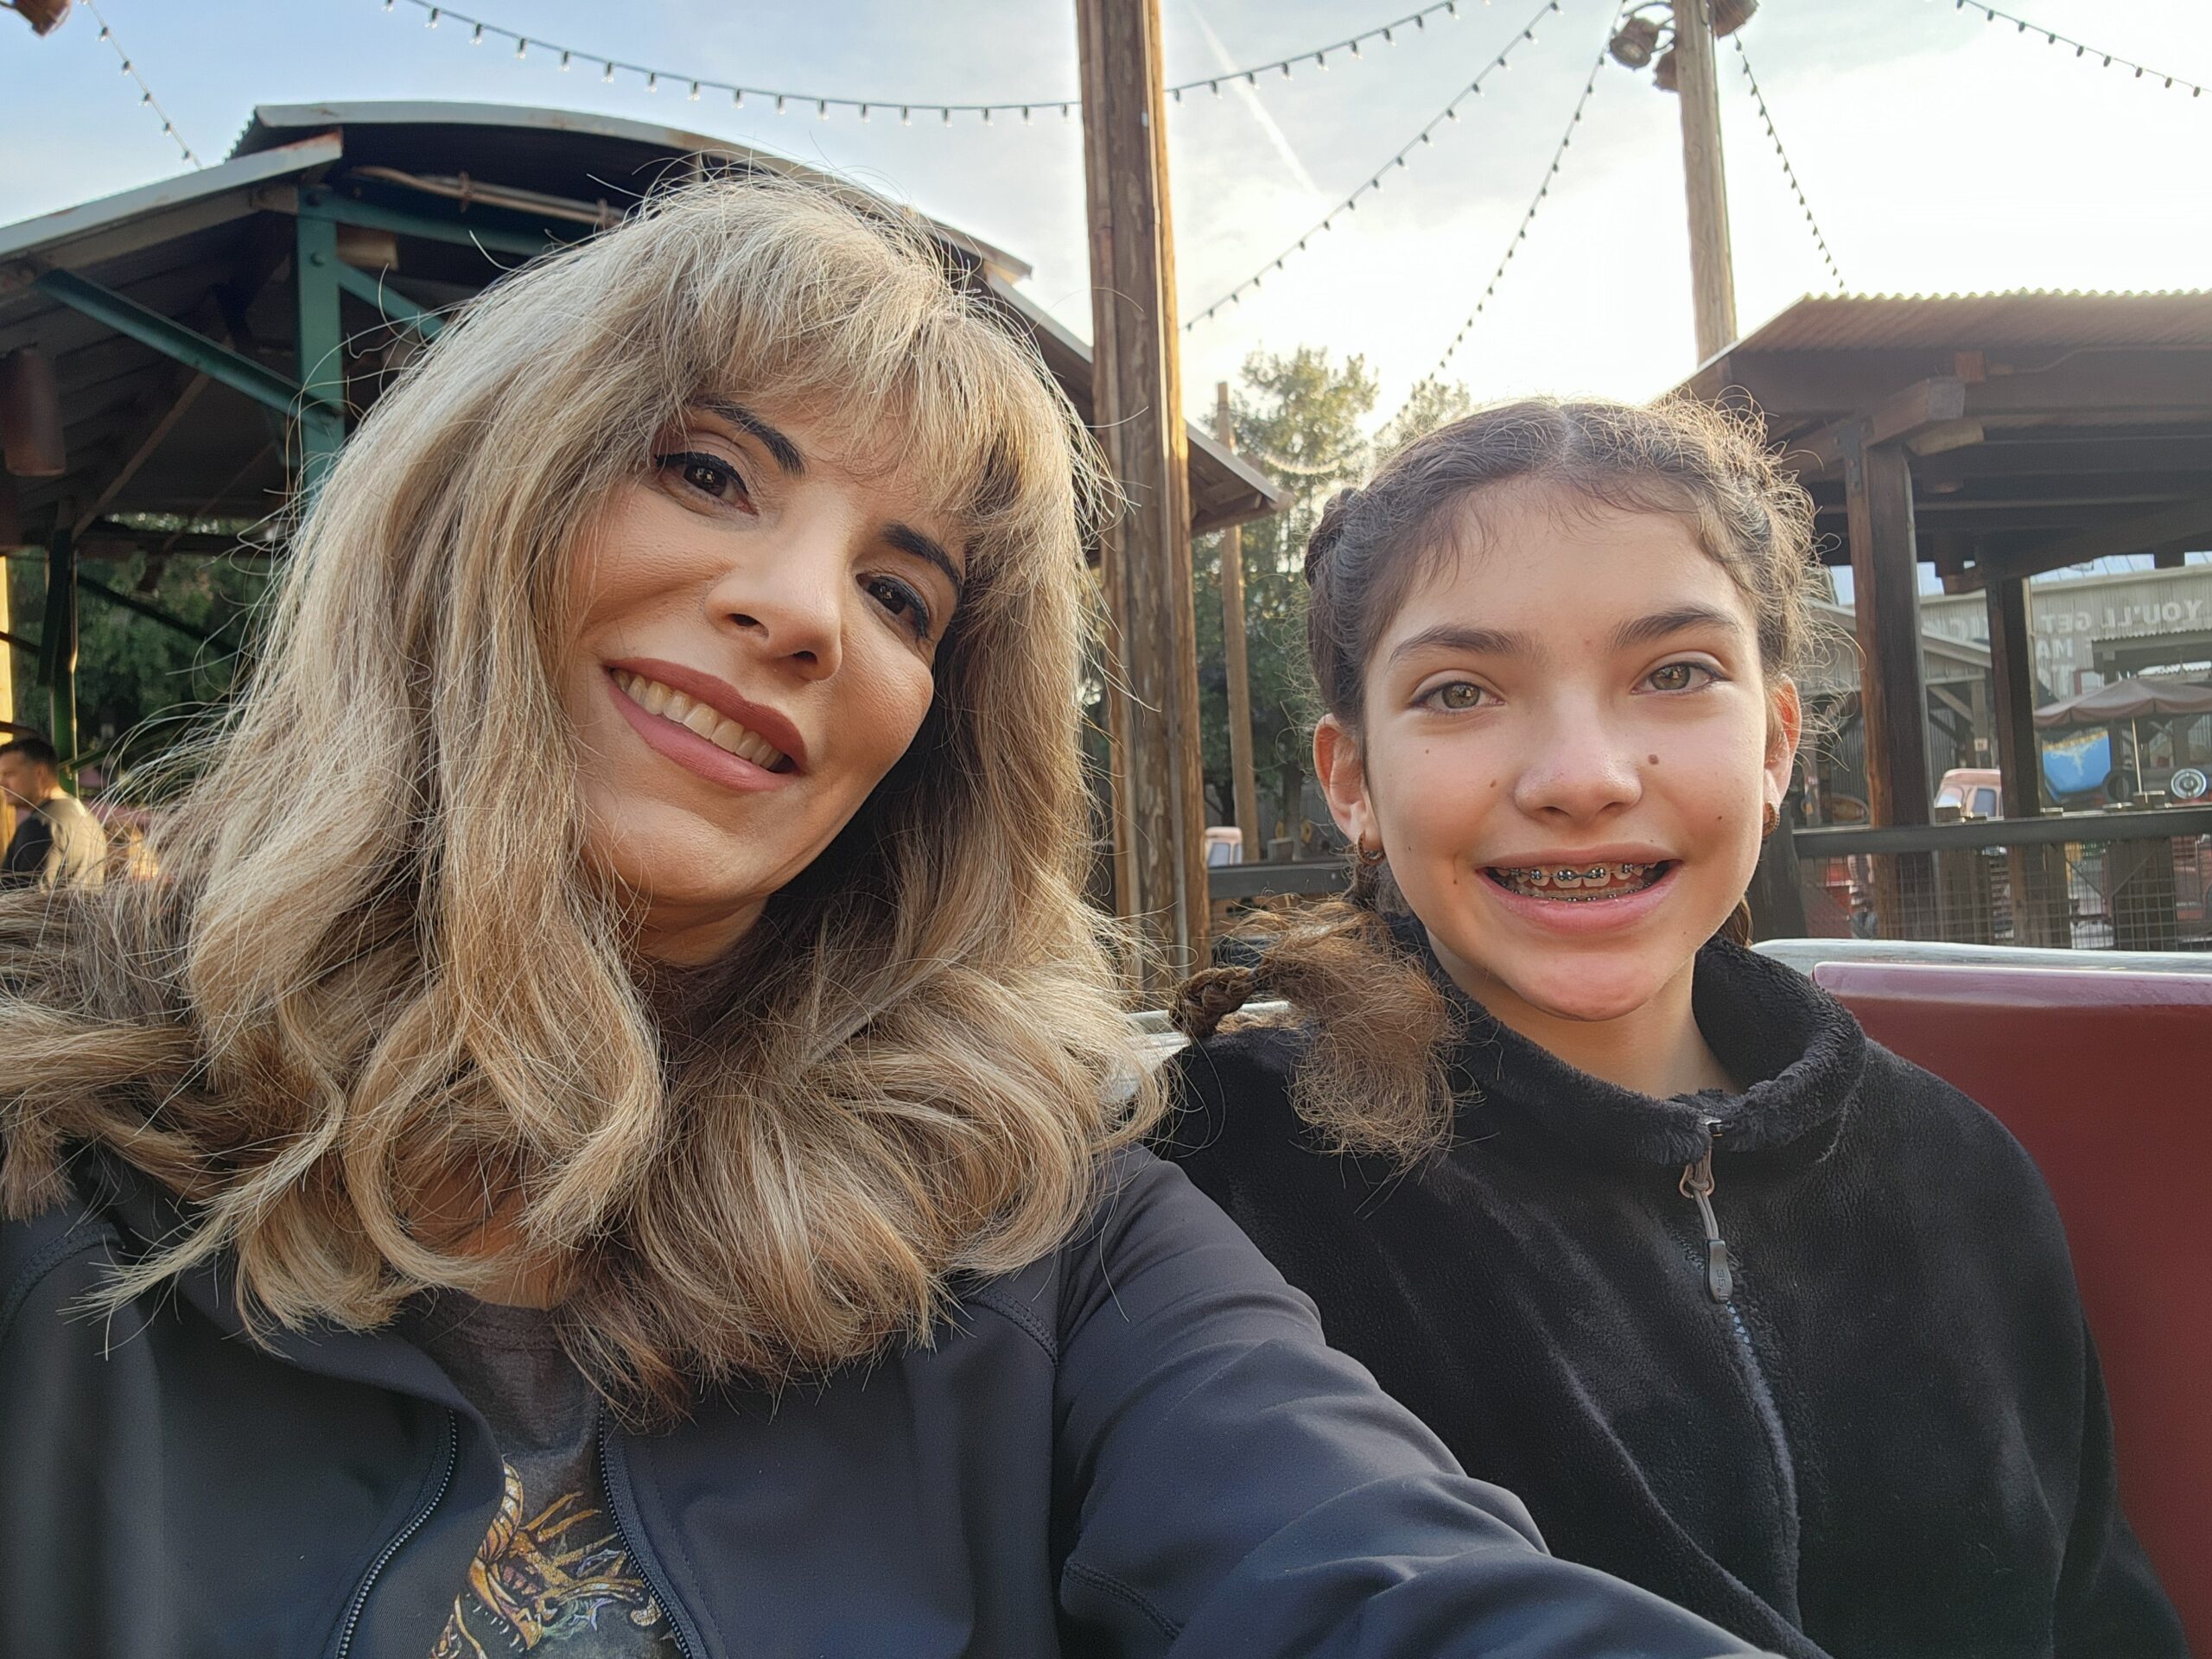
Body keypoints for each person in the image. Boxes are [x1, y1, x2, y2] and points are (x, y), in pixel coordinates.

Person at [0, 186, 1770, 1659]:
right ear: (468, 500)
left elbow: (1388, 1581)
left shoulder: (1041, 1239)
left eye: (898, 591)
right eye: (704, 472)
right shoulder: (50, 1144)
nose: (797, 610)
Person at [1161, 398, 2184, 1659]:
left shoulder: (1959, 1174)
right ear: (1353, 782)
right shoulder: (1220, 1190)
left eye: (1677, 673)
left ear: (1776, 742)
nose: (1582, 775)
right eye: (1462, 690)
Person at [0, 734, 108, 890]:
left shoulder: (40, 826)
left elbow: (29, 904)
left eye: (9, 774)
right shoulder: (88, 819)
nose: (2, 783)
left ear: (40, 772)